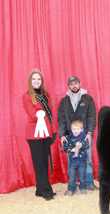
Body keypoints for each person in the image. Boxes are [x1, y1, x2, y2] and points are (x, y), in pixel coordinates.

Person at [57, 76, 98, 192]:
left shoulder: (88, 99)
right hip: (70, 137)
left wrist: (89, 133)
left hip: (85, 136)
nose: (74, 86)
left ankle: (89, 183)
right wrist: (62, 135)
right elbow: (61, 120)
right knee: (71, 162)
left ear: (80, 84)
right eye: (71, 84)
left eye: (76, 83)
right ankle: (72, 186)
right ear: (68, 86)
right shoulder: (64, 101)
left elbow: (92, 117)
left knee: (88, 159)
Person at [22, 68, 57, 201]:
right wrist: (39, 115)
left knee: (44, 162)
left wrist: (53, 131)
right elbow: (32, 114)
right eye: (34, 79)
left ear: (41, 81)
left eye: (38, 79)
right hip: (34, 134)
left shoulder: (45, 95)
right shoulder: (26, 96)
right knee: (39, 163)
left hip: (47, 133)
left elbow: (51, 115)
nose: (36, 81)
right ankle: (46, 191)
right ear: (30, 81)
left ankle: (39, 190)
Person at [63, 120, 90, 196]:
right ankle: (71, 189)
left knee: (82, 177)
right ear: (71, 129)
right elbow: (65, 147)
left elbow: (87, 145)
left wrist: (82, 145)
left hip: (82, 161)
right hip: (72, 161)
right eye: (74, 129)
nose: (75, 131)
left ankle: (83, 188)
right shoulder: (69, 138)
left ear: (81, 130)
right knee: (72, 177)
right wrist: (71, 150)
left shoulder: (84, 137)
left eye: (78, 129)